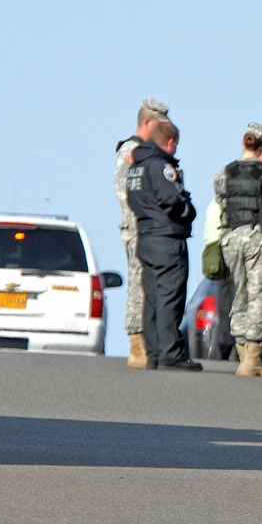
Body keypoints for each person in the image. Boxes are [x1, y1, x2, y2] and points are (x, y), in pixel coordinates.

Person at [126, 120, 201, 371]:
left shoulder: (136, 168)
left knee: (152, 298)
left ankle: (155, 352)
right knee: (170, 296)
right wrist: (188, 208)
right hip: (166, 239)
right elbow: (172, 200)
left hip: (145, 236)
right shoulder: (160, 166)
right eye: (176, 144)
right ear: (170, 142)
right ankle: (171, 353)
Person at [213, 122, 262, 377]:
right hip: (256, 238)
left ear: (244, 142)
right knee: (259, 295)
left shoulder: (225, 172)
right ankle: (252, 353)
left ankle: (242, 349)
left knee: (239, 294)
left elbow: (221, 200)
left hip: (231, 238)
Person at [114, 97, 170, 369]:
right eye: (159, 125)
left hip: (151, 228)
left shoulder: (150, 153)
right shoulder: (133, 151)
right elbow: (126, 194)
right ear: (148, 122)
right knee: (139, 284)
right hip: (138, 226)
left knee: (149, 285)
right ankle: (138, 343)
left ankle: (151, 341)